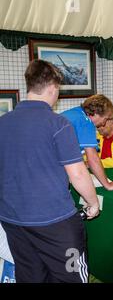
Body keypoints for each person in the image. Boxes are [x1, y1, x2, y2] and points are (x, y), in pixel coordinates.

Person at [0, 60, 99, 282]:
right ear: (54, 87)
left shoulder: (3, 122)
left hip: (13, 218)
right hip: (55, 221)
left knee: (30, 275)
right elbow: (78, 174)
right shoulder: (58, 124)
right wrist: (93, 203)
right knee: (72, 277)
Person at [61, 94, 113, 191]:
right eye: (105, 119)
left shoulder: (73, 113)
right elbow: (93, 158)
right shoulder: (85, 122)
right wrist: (107, 184)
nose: (103, 124)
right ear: (96, 113)